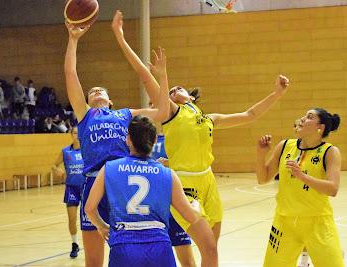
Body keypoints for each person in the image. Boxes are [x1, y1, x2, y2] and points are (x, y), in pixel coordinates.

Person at [113, 9, 289, 256]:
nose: (172, 91)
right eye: (169, 91)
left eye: (176, 88)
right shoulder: (173, 113)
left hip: (209, 182)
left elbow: (250, 115)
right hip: (184, 184)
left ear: (191, 96)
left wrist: (277, 94)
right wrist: (121, 38)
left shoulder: (208, 118)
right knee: (209, 249)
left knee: (211, 250)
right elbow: (144, 75)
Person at [64, 13, 170, 267]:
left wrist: (163, 76)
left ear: (110, 101)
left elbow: (163, 111)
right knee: (94, 262)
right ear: (87, 101)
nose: (96, 90)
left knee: (126, 255)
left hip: (119, 181)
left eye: (101, 90)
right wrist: (73, 40)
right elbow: (70, 73)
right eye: (92, 91)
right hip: (92, 185)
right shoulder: (85, 115)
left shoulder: (125, 114)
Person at [85, 115, 218, 267]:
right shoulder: (167, 174)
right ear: (155, 140)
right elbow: (190, 216)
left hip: (123, 246)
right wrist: (195, 205)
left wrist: (102, 226)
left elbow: (89, 208)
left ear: (128, 139)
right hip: (159, 247)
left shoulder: (109, 168)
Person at [256, 108, 344, 267]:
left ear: (320, 127)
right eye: (304, 115)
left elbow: (333, 189)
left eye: (309, 117)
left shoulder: (330, 152)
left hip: (318, 223)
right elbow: (263, 179)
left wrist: (302, 176)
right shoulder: (284, 146)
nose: (303, 119)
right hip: (284, 222)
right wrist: (261, 154)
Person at [150, 102, 195, 267]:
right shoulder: (143, 138)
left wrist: (169, 163)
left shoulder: (177, 136)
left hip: (174, 203)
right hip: (152, 206)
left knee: (187, 261)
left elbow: (188, 162)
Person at [52, 126, 84, 258]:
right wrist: (57, 171)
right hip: (71, 188)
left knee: (90, 219)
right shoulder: (65, 151)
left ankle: (94, 242)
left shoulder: (87, 150)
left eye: (78, 133)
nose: (76, 135)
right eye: (74, 133)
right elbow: (53, 165)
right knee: (72, 219)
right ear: (71, 135)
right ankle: (75, 244)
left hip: (86, 187)